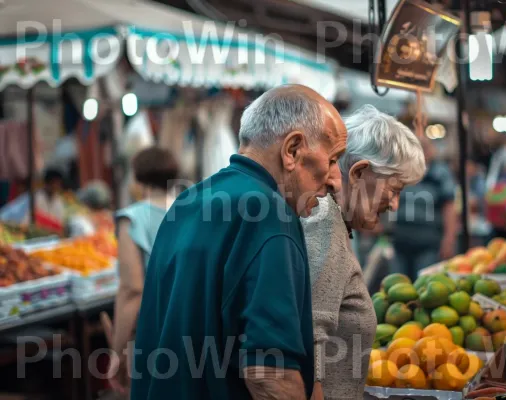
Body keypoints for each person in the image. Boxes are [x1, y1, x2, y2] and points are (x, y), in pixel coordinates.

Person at [130, 85, 346, 400]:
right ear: (293, 150)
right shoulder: (270, 214)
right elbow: (271, 374)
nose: (335, 180)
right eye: (333, 159)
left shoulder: (186, 203)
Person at [302, 105, 425, 399]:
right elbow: (308, 345)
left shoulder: (334, 223)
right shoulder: (323, 224)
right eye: (394, 190)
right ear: (359, 173)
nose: (395, 205)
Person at [106, 147, 179, 394]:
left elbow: (132, 290)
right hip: (200, 332)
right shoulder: (195, 209)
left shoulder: (132, 218)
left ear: (137, 178)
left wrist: (116, 353)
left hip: (155, 338)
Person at [393, 137, 458, 279]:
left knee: (423, 284)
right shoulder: (401, 172)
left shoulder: (440, 173)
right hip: (400, 241)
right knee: (396, 287)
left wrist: (449, 240)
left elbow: (449, 208)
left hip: (428, 244)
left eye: (424, 148)